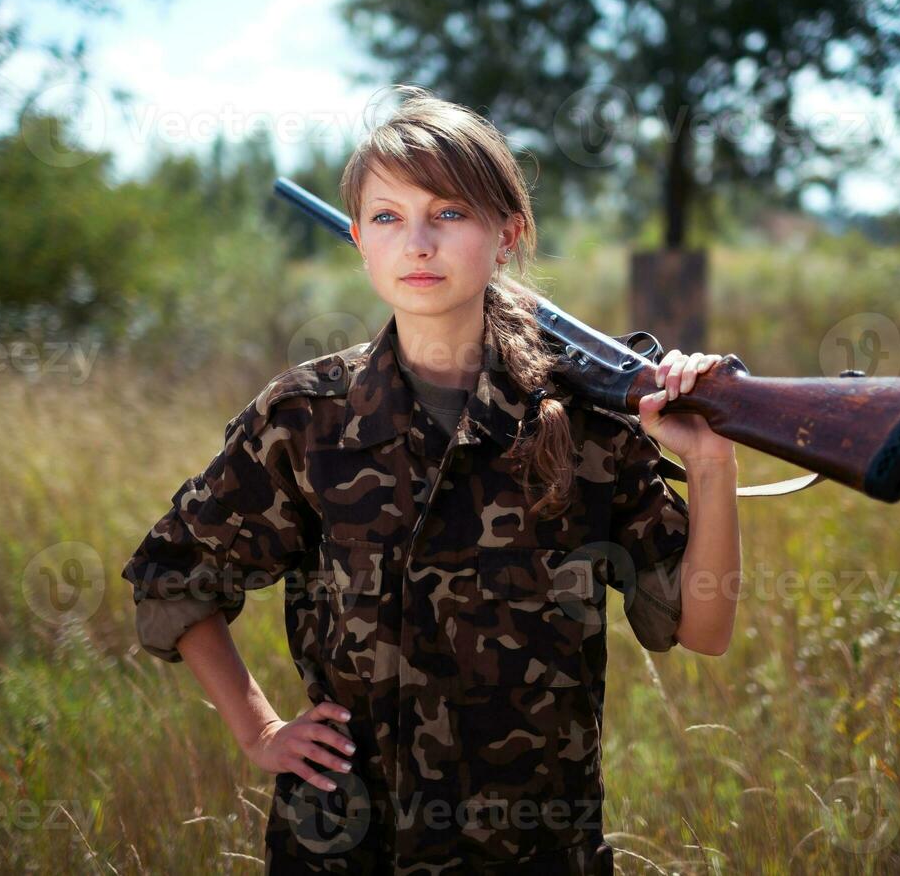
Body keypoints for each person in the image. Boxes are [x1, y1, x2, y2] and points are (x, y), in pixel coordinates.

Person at [120, 85, 742, 874]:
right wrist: (261, 730)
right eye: (387, 217)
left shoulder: (585, 426)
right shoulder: (306, 417)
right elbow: (174, 574)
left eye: (448, 213)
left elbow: (704, 630)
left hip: (535, 850)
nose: (417, 242)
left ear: (506, 235)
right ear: (358, 240)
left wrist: (711, 464)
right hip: (347, 849)